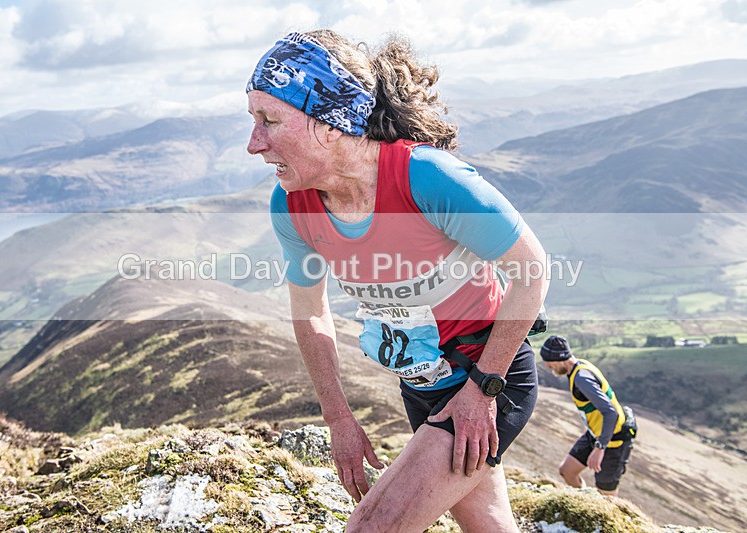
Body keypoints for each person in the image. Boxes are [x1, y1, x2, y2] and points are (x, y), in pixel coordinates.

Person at [246, 29, 548, 532]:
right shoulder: (292, 205)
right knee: (488, 526)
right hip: (422, 384)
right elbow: (311, 311)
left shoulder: (425, 177)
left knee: (373, 527)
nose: (253, 143)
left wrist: (482, 392)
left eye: (269, 121)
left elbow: (531, 271)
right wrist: (338, 419)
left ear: (329, 123)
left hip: (487, 374)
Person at [540, 335, 636, 496]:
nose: (548, 366)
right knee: (567, 471)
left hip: (613, 438)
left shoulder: (582, 379)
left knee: (606, 494)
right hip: (595, 433)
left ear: (560, 358)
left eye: (549, 362)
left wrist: (600, 448)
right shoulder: (580, 367)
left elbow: (610, 412)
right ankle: (585, 503)